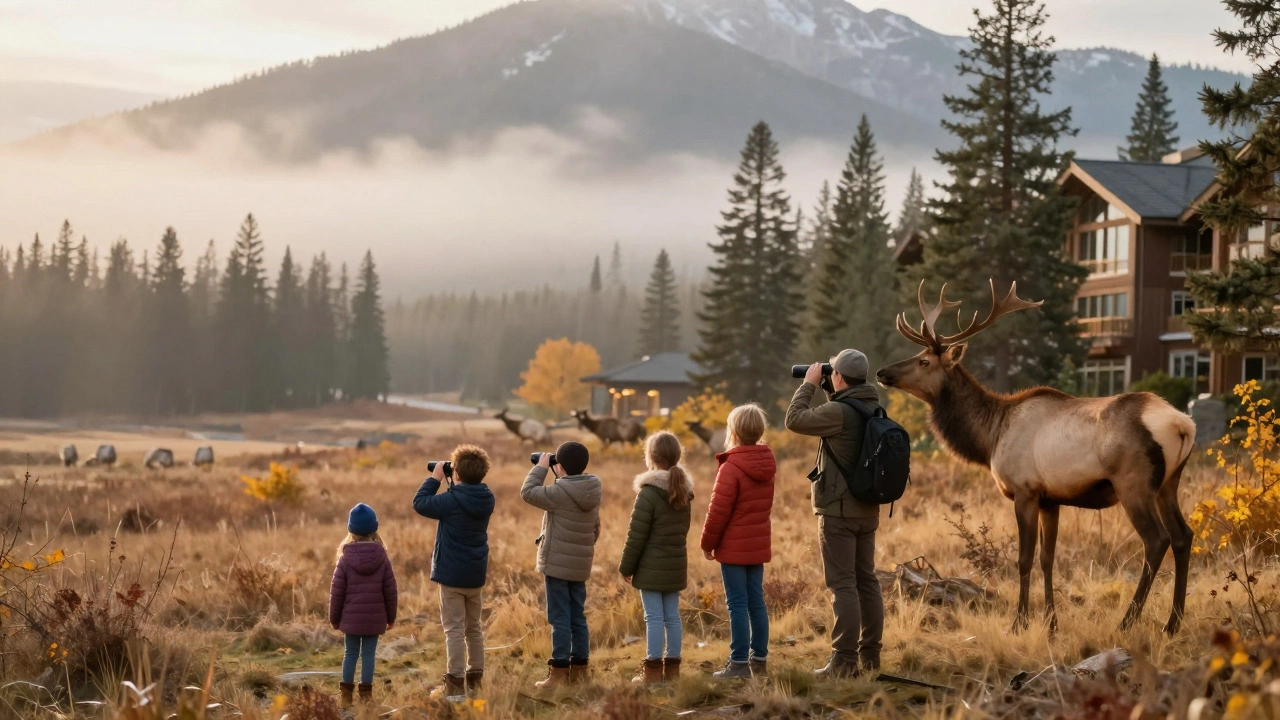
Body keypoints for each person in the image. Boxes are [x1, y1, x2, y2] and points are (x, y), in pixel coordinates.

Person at [784, 349, 885, 679]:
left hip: (839, 512)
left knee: (843, 585)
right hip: (867, 510)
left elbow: (794, 420)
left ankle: (843, 662)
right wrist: (832, 388)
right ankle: (870, 656)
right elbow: (842, 412)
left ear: (837, 375)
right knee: (867, 581)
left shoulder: (839, 412)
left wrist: (810, 384)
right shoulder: (872, 406)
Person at [413, 445, 496, 698]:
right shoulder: (487, 498)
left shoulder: (450, 501)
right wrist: (454, 483)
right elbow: (462, 500)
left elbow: (420, 503)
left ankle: (455, 684)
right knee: (474, 628)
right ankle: (475, 678)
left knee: (454, 630)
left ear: (456, 472)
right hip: (475, 575)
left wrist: (435, 477)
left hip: (451, 576)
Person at [700, 404, 776, 680]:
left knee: (737, 604)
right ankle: (760, 660)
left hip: (733, 548)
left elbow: (717, 512)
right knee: (757, 602)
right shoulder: (767, 462)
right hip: (756, 545)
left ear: (732, 431)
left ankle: (739, 664)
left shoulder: (731, 467)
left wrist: (707, 543)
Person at [521, 440, 602, 688]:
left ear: (561, 466)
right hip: (580, 565)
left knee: (559, 617)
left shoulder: (558, 493)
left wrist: (542, 467)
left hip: (556, 564)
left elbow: (527, 492)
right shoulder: (592, 489)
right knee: (577, 615)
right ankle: (580, 669)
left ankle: (558, 672)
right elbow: (595, 529)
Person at [618, 431, 694, 684]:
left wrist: (626, 567)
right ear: (677, 456)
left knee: (653, 617)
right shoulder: (683, 492)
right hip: (675, 565)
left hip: (650, 568)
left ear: (650, 457)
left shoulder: (648, 494)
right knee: (671, 616)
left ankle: (652, 671)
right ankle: (672, 670)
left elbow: (636, 536)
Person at [329, 503, 398, 706]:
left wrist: (334, 619)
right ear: (374, 529)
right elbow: (391, 591)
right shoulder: (382, 558)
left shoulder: (344, 559)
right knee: (368, 654)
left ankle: (346, 697)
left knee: (350, 653)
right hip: (375, 618)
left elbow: (336, 593)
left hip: (350, 619)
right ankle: (366, 698)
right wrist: (391, 618)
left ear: (351, 530)